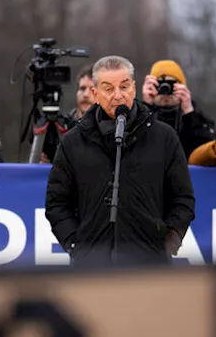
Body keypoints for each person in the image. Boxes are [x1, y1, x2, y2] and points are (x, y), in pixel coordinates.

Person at [45, 55, 195, 266]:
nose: (118, 95)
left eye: (124, 87)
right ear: (95, 94)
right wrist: (76, 246)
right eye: (108, 88)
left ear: (134, 88)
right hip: (92, 268)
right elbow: (57, 203)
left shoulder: (163, 137)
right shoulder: (73, 142)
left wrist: (168, 242)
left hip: (149, 266)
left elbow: (183, 199)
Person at [141, 58, 216, 157]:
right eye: (160, 84)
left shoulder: (196, 118)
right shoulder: (142, 116)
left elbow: (209, 149)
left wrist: (189, 113)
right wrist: (146, 106)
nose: (165, 89)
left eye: (171, 84)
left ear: (182, 87)